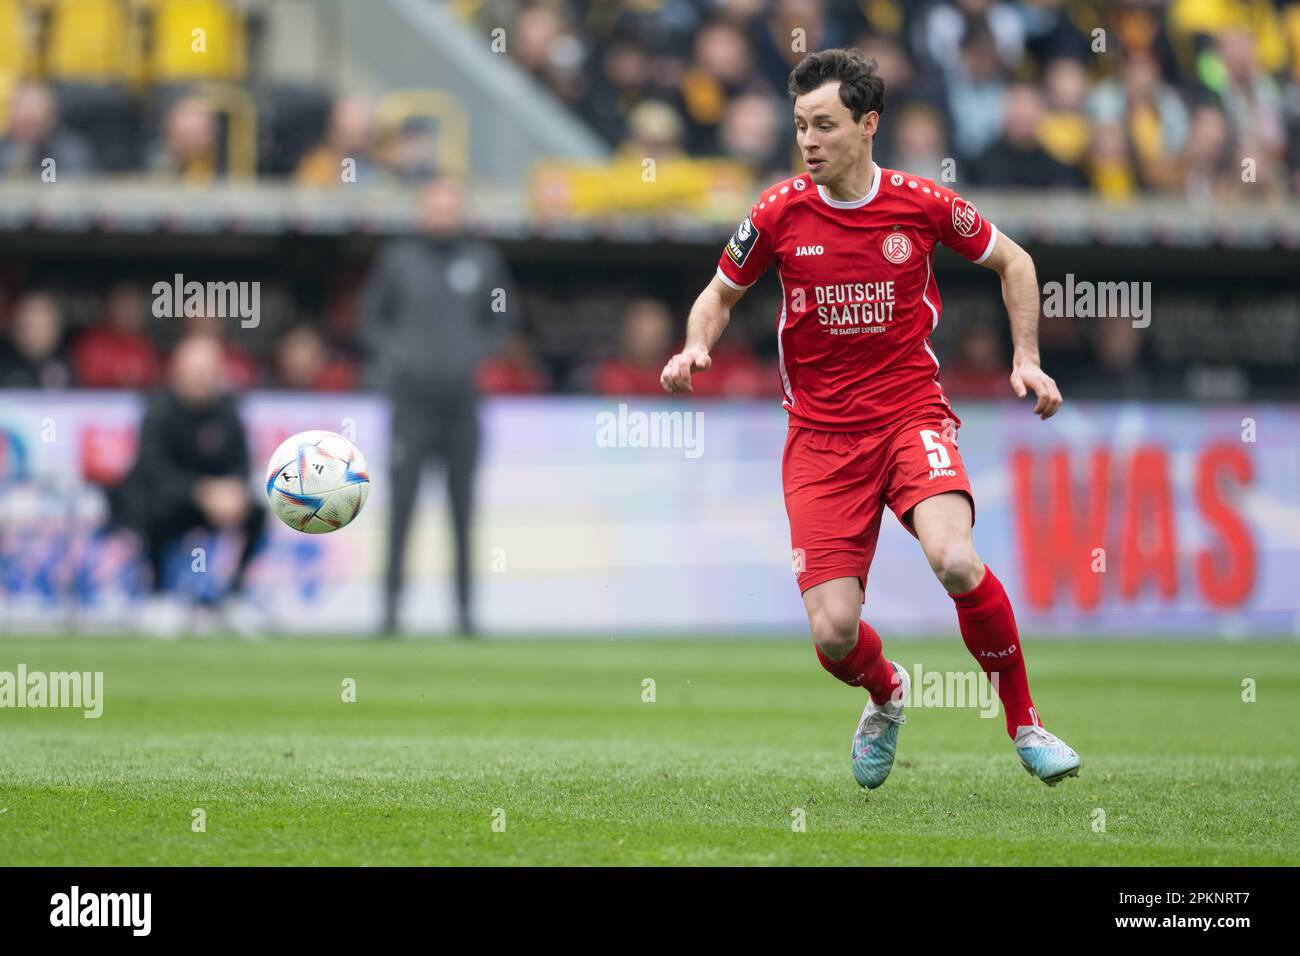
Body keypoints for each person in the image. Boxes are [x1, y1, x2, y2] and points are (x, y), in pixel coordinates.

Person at [660, 48, 1080, 790]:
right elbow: (717, 295)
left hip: (910, 415)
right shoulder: (777, 212)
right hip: (819, 440)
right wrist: (696, 345)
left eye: (824, 125)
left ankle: (1025, 724)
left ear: (868, 124)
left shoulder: (921, 203)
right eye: (799, 126)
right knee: (834, 634)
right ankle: (886, 694)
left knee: (954, 559)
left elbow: (1015, 262)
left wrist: (1026, 358)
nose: (809, 140)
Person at [359, 176, 518, 637]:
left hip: (462, 404)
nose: (443, 214)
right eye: (436, 205)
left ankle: (466, 614)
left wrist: (475, 356)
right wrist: (398, 357)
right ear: (422, 210)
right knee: (402, 508)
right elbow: (372, 320)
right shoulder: (399, 260)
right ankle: (390, 612)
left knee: (463, 511)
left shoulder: (482, 261)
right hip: (411, 405)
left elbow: (504, 320)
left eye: (452, 206)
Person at [110, 334, 268, 633]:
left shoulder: (227, 410)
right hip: (171, 501)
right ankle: (157, 597)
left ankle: (234, 596)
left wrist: (232, 491)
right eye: (195, 372)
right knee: (152, 510)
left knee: (257, 513)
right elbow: (152, 469)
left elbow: (242, 462)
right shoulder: (159, 409)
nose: (202, 380)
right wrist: (201, 491)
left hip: (216, 503)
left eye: (209, 373)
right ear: (177, 372)